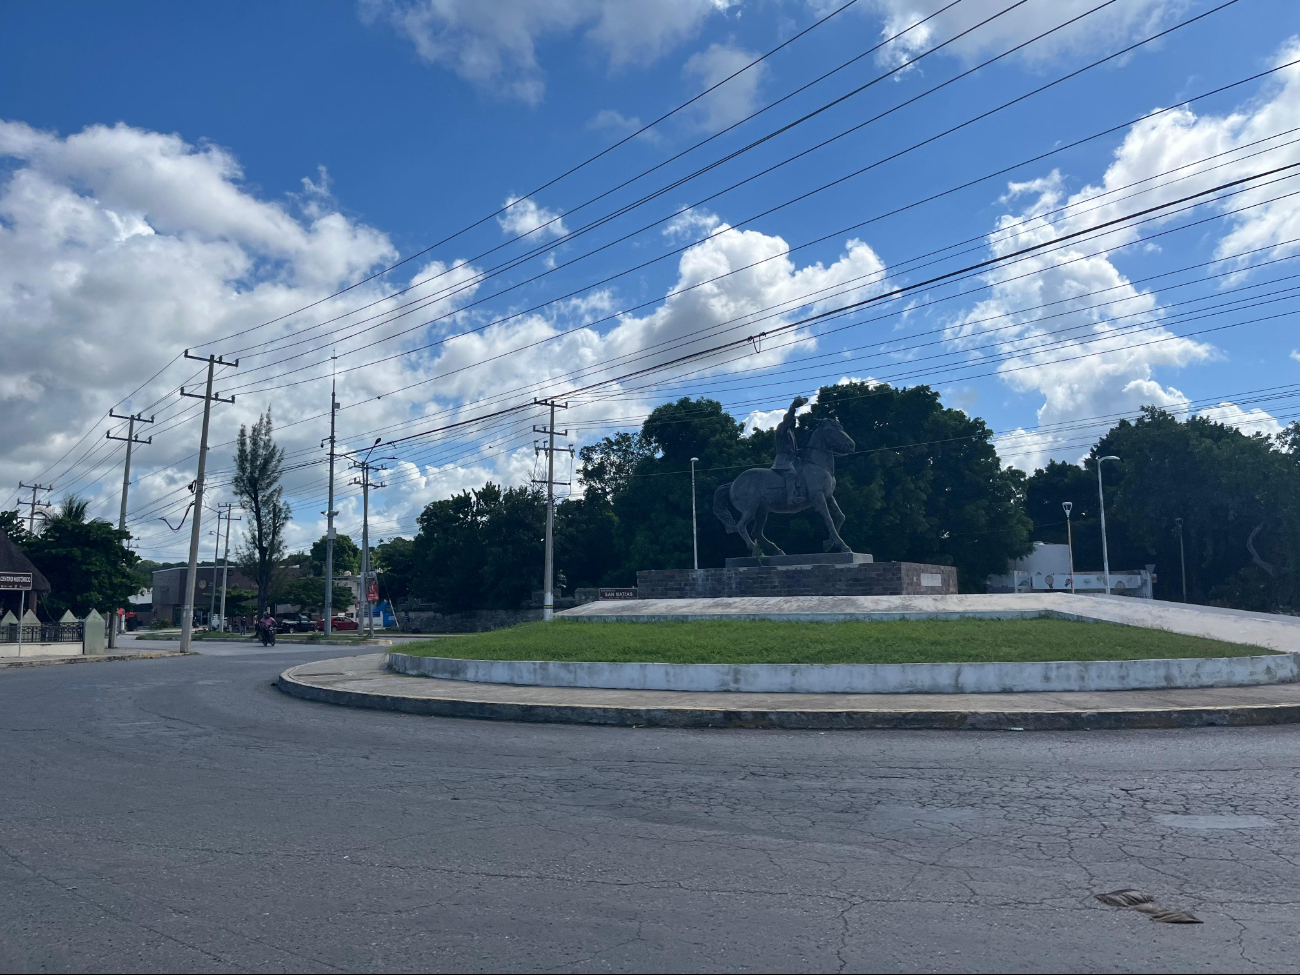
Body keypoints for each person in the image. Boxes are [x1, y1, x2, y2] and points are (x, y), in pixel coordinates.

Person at [771, 395, 808, 505]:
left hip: (793, 460)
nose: (795, 422)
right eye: (793, 420)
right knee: (791, 474)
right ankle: (791, 497)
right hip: (783, 459)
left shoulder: (792, 433)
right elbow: (788, 419)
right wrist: (793, 408)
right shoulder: (782, 428)